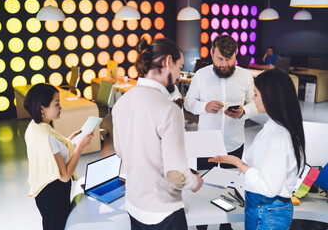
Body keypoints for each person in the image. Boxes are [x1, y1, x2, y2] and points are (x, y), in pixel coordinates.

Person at [112, 37, 203, 230]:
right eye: (179, 67)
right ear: (167, 62)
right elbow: (176, 174)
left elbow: (121, 153)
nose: (179, 76)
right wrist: (195, 182)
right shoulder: (168, 109)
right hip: (164, 211)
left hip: (134, 205)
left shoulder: (121, 103)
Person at [209, 69, 306, 230]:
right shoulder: (273, 129)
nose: (252, 99)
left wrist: (238, 163)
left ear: (270, 97)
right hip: (262, 208)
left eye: (255, 94)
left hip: (267, 212)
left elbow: (268, 187)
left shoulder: (278, 138)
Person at [24, 83, 94, 230]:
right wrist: (80, 147)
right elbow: (65, 175)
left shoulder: (34, 126)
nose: (60, 108)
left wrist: (69, 140)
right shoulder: (47, 136)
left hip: (44, 192)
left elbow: (52, 150)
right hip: (54, 194)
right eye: (57, 104)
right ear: (42, 108)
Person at [185, 35, 257, 170]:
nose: (224, 64)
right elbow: (188, 103)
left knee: (230, 185)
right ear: (212, 54)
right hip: (206, 143)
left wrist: (244, 112)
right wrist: (204, 106)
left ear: (235, 55)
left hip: (234, 143)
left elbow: (254, 104)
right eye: (220, 59)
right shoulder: (201, 75)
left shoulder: (246, 76)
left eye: (229, 59)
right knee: (205, 184)